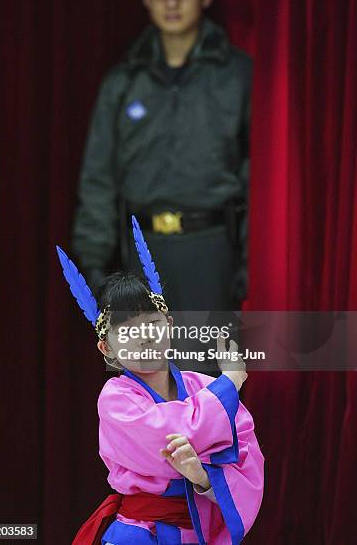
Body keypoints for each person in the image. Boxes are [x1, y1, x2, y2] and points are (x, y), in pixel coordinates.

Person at [56, 217, 264, 544]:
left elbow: (249, 462)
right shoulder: (115, 399)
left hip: (198, 534)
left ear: (168, 324)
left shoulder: (203, 387)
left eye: (150, 323)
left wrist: (202, 478)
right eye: (126, 330)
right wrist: (231, 382)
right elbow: (170, 435)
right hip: (137, 535)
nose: (143, 336)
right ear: (106, 348)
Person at [71, 0, 251, 314]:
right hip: (141, 250)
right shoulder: (124, 82)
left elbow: (258, 171)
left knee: (206, 366)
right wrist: (92, 262)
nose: (172, 3)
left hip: (213, 247)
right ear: (146, 0)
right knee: (147, 367)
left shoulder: (236, 75)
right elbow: (99, 175)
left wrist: (250, 259)